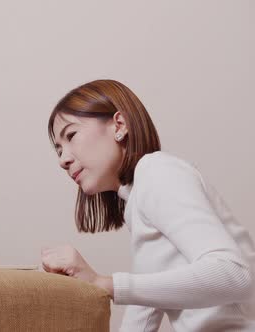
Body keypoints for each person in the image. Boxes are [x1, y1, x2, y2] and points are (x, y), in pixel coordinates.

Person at [41, 79, 255, 331]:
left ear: (119, 125)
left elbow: (236, 275)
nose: (63, 160)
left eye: (71, 135)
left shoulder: (157, 171)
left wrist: (105, 283)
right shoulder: (139, 200)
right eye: (58, 149)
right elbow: (141, 318)